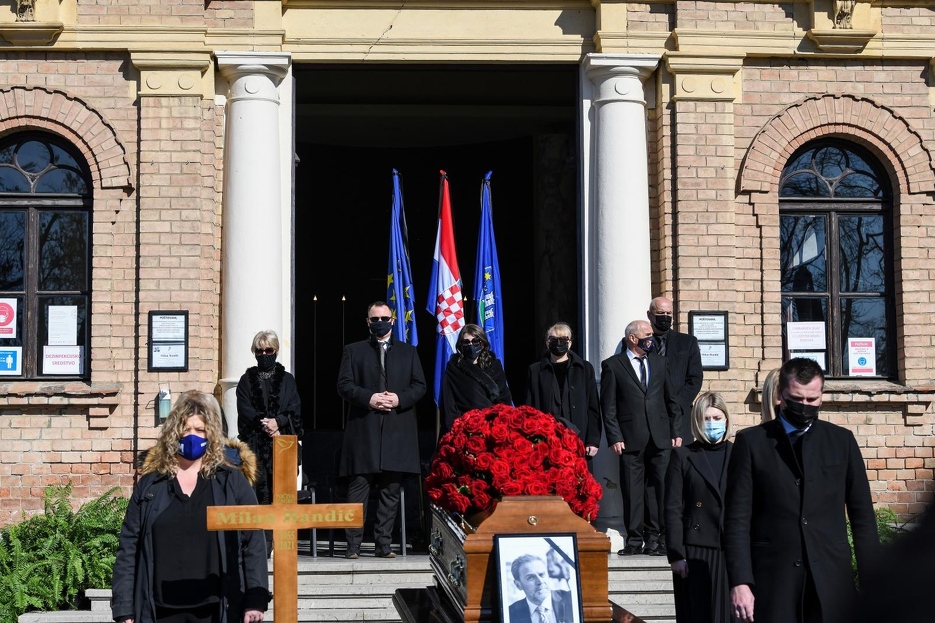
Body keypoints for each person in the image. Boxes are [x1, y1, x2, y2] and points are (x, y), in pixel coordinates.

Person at [724, 357, 878, 623]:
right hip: (774, 580)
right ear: (781, 395)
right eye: (797, 398)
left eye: (812, 400)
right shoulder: (752, 442)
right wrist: (740, 581)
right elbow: (737, 519)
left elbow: (862, 517)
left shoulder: (841, 441)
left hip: (830, 581)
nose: (805, 406)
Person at [111, 390, 270, 623]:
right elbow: (129, 547)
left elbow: (253, 541)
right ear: (174, 432)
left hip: (218, 608)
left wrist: (256, 599)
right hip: (159, 608)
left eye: (200, 430)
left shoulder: (230, 481)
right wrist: (124, 608)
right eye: (186, 429)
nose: (192, 436)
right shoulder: (151, 485)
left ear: (212, 435)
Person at [337, 300, 426, 559]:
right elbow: (344, 385)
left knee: (390, 492)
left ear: (393, 320)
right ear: (367, 322)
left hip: (397, 430)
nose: (380, 323)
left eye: (384, 318)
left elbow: (420, 386)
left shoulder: (409, 352)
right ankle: (352, 546)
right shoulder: (353, 351)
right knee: (358, 489)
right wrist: (369, 398)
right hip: (364, 431)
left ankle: (383, 545)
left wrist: (398, 399)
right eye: (375, 319)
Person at [601, 319, 682, 557]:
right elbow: (609, 406)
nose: (652, 337)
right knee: (632, 490)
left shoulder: (660, 363)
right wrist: (614, 436)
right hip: (629, 438)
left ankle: (657, 540)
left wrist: (676, 431)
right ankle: (635, 540)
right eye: (647, 334)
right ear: (633, 338)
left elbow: (672, 400)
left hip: (661, 437)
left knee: (660, 489)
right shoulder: (613, 365)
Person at [664, 392, 735, 623]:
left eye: (717, 417)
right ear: (696, 421)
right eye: (707, 418)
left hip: (732, 548)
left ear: (726, 419)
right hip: (695, 550)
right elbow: (673, 508)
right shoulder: (683, 456)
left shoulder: (740, 453)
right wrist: (676, 554)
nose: (712, 423)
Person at [236, 330, 303, 556]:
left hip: (282, 445)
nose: (264, 354)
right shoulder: (246, 381)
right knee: (258, 495)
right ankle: (260, 547)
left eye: (269, 350)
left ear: (275, 351)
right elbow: (244, 410)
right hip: (255, 445)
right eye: (260, 351)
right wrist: (263, 423)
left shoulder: (287, 380)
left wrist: (278, 422)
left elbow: (294, 410)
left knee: (280, 496)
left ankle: (281, 545)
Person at [525, 322, 601, 466]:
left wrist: (593, 440)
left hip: (579, 438)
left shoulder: (585, 369)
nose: (558, 343)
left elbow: (593, 408)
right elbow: (530, 407)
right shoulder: (535, 371)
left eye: (563, 340)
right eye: (554, 340)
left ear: (570, 343)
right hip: (546, 438)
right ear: (547, 343)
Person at [646, 297, 703, 443]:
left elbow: (694, 379)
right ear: (649, 315)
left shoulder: (687, 342)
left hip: (679, 416)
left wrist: (675, 406)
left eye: (668, 313)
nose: (665, 317)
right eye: (660, 313)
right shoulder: (638, 342)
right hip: (647, 416)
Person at [440, 323, 512, 437]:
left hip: (491, 427)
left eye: (475, 341)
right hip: (465, 428)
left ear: (482, 343)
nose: (471, 345)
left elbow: (504, 398)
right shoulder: (453, 368)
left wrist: (498, 425)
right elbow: (449, 403)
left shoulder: (495, 366)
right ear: (461, 345)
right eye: (466, 342)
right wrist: (456, 430)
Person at [508, 553, 575, 623]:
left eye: (542, 575)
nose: (540, 581)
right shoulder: (510, 614)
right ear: (518, 585)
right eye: (531, 578)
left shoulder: (572, 599)